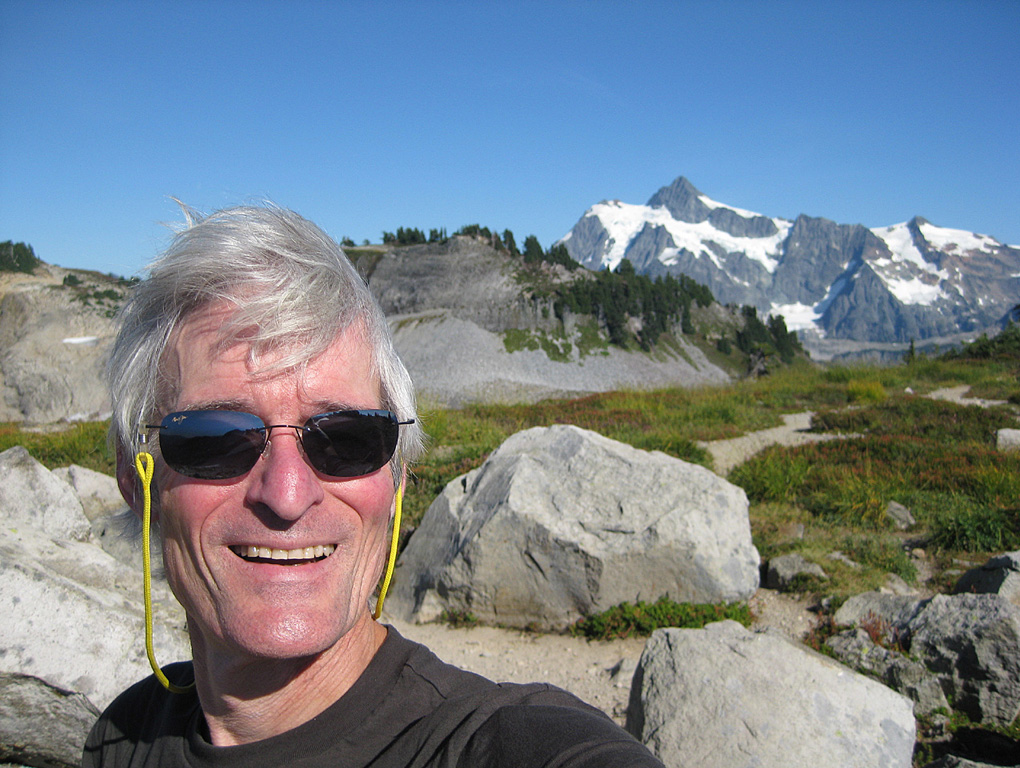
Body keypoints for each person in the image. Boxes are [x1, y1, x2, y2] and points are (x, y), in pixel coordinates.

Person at [82, 204, 664, 767]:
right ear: (134, 479)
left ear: (397, 476)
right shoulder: (122, 736)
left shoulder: (507, 742)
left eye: (348, 439)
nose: (287, 495)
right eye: (216, 439)